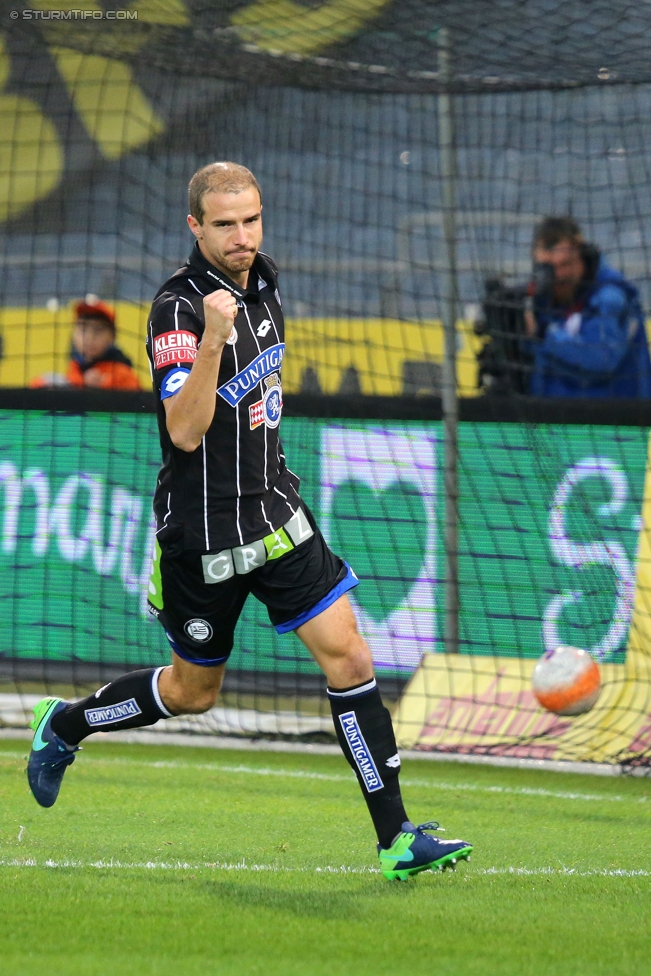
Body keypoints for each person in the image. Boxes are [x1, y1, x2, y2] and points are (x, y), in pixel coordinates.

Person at [26, 161, 472, 881]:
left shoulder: (263, 281)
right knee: (192, 694)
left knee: (350, 658)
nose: (241, 237)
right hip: (202, 535)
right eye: (225, 224)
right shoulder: (178, 309)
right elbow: (184, 429)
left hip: (275, 512)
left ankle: (396, 840)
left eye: (251, 220)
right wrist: (211, 340)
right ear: (195, 227)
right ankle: (67, 723)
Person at [525, 216, 651, 397]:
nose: (558, 275)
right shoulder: (544, 301)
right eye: (548, 268)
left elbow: (601, 360)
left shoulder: (612, 297)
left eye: (565, 264)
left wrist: (542, 333)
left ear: (581, 255)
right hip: (555, 419)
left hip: (615, 421)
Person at [30, 296, 141, 390]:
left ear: (112, 337)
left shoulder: (122, 374)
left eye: (98, 330)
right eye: (83, 329)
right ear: (73, 333)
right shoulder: (74, 369)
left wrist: (100, 389)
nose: (89, 337)